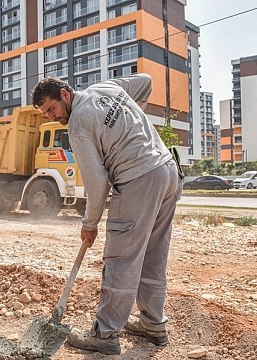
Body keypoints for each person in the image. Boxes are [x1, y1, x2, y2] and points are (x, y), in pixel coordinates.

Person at [31, 74, 182, 355]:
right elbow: (147, 81)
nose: (52, 117)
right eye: (45, 114)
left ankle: (105, 333)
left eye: (51, 109)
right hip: (167, 171)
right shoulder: (107, 87)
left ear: (65, 95)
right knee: (153, 253)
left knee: (121, 258)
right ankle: (153, 324)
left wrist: (90, 224)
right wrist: (129, 121)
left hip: (138, 177)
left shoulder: (77, 124)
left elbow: (97, 183)